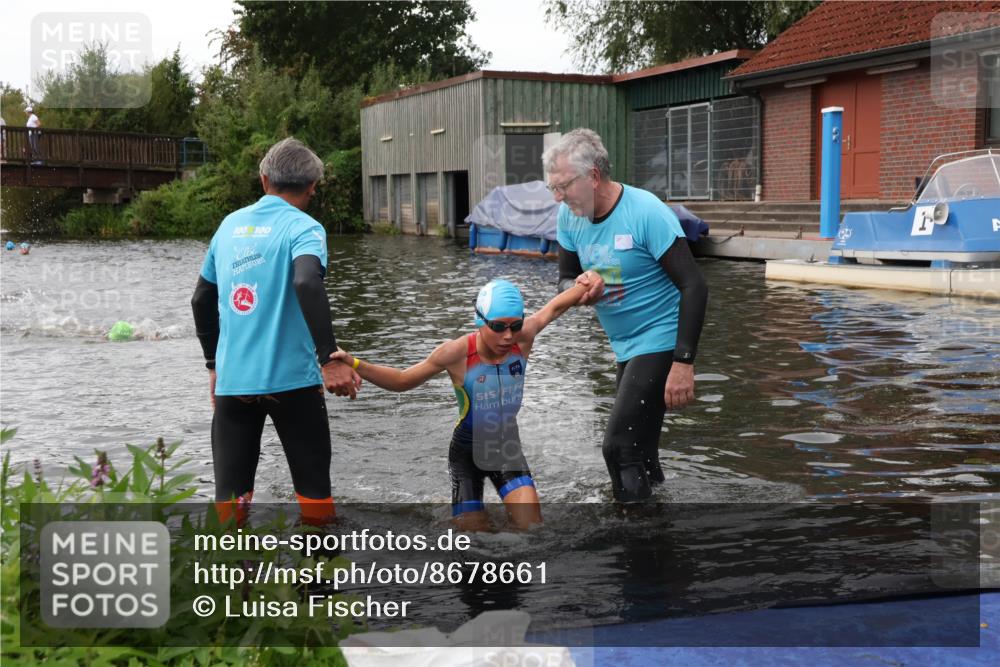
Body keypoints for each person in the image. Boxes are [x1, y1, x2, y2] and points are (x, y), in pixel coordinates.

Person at [191, 137, 360, 525]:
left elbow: (201, 300)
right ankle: (317, 582)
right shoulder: (305, 228)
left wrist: (214, 365)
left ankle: (234, 582)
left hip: (234, 385)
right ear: (312, 187)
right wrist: (329, 359)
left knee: (230, 507)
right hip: (294, 386)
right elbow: (306, 282)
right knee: (315, 498)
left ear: (264, 179)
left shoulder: (229, 225)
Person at [332, 279, 588, 531]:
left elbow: (554, 307)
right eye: (498, 327)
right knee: (476, 539)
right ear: (480, 321)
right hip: (466, 454)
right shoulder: (456, 353)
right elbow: (402, 380)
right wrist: (354, 363)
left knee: (531, 529)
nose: (508, 336)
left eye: (515, 325)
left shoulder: (524, 337)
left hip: (505, 446)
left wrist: (589, 280)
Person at [543, 128, 708, 503]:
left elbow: (695, 286)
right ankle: (657, 532)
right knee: (641, 450)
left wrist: (683, 362)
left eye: (564, 185)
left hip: (662, 338)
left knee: (618, 447)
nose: (557, 196)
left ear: (594, 176)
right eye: (551, 188)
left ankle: (634, 537)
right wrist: (580, 285)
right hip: (625, 347)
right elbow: (564, 279)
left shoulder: (646, 212)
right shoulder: (570, 217)